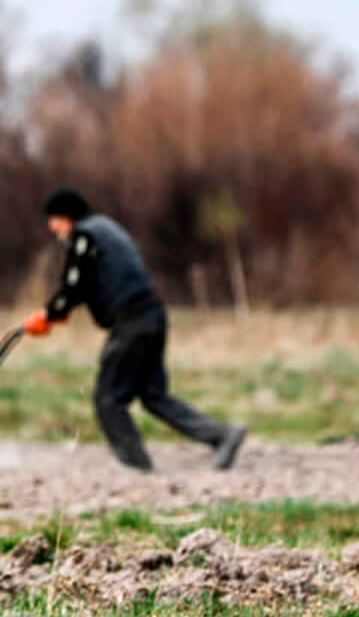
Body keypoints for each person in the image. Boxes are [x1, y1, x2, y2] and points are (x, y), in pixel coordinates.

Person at [23, 187, 246, 472]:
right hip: (153, 316)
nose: (53, 230)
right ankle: (222, 434)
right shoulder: (110, 230)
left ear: (66, 216)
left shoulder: (84, 235)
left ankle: (137, 468)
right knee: (154, 396)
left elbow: (74, 284)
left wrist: (49, 313)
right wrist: (61, 312)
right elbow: (96, 279)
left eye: (54, 221)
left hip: (130, 323)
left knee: (108, 399)